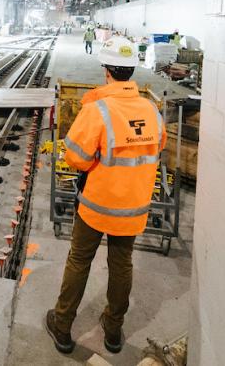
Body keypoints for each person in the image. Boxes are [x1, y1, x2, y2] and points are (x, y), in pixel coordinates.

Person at [45, 36, 166, 355]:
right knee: (122, 264)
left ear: (106, 70)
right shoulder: (151, 110)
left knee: (79, 261)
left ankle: (62, 326)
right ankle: (113, 331)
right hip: (134, 208)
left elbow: (75, 158)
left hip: (96, 207)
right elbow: (158, 146)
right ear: (131, 71)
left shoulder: (97, 109)